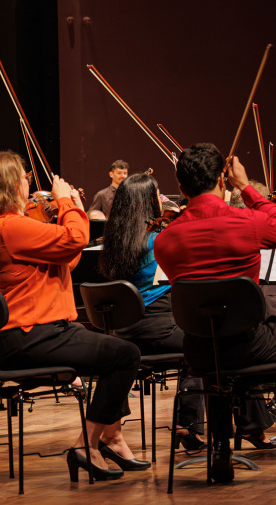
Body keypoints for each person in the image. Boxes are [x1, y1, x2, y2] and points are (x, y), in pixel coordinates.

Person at [153, 143, 276, 484]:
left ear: (181, 186)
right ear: (222, 180)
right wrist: (246, 186)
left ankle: (221, 451)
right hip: (250, 343)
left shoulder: (166, 240)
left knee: (217, 357)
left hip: (199, 350)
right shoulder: (246, 221)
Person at [0, 151, 143, 481]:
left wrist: (66, 214)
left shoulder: (4, 226)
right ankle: (88, 444)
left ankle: (110, 438)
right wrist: (67, 204)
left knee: (113, 350)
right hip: (29, 336)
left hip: (30, 334)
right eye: (24, 177)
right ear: (9, 185)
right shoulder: (13, 226)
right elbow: (77, 237)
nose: (29, 183)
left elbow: (66, 258)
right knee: (125, 355)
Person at [98, 172, 206, 451]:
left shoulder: (113, 239)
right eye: (157, 194)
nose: (162, 199)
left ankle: (111, 433)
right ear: (147, 202)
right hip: (161, 327)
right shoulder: (162, 238)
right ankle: (187, 422)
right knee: (205, 344)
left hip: (124, 334)